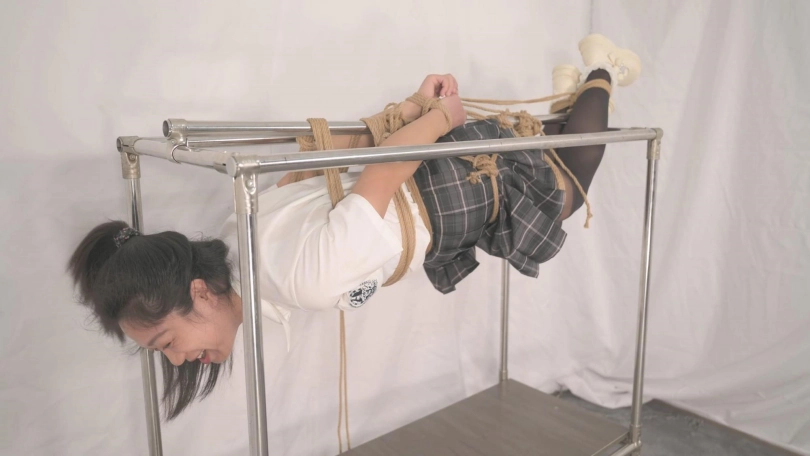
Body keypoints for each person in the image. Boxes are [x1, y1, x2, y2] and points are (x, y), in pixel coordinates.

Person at [68, 34, 641, 419]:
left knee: (567, 190)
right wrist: (413, 108)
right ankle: (575, 88)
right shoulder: (235, 233)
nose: (175, 361)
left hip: (445, 197)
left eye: (168, 342)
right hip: (431, 187)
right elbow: (328, 169)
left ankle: (601, 68)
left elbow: (383, 171)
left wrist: (440, 116)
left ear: (199, 292)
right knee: (545, 162)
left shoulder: (306, 279)